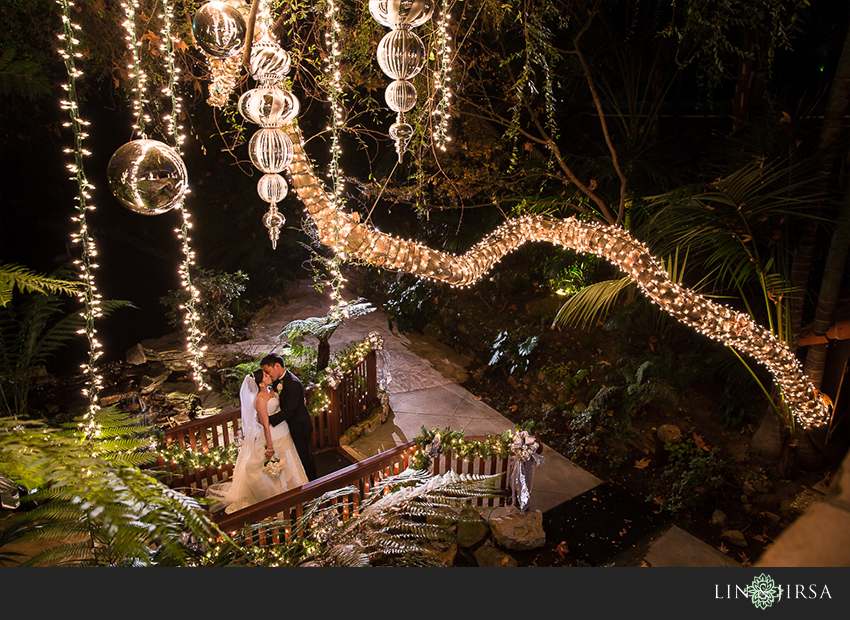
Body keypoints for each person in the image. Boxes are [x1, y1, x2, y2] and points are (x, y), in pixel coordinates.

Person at [207, 369, 308, 514]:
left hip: (284, 431)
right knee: (279, 465)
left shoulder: (272, 389)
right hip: (273, 435)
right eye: (266, 376)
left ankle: (298, 492)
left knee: (290, 460)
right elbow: (266, 426)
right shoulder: (260, 399)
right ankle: (281, 498)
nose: (269, 376)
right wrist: (270, 447)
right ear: (260, 383)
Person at [261, 353, 318, 481]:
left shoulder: (293, 383)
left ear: (277, 366)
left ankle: (313, 483)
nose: (268, 375)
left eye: (268, 371)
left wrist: (267, 420)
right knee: (295, 458)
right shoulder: (276, 382)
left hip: (299, 427)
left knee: (305, 457)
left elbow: (288, 412)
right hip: (287, 427)